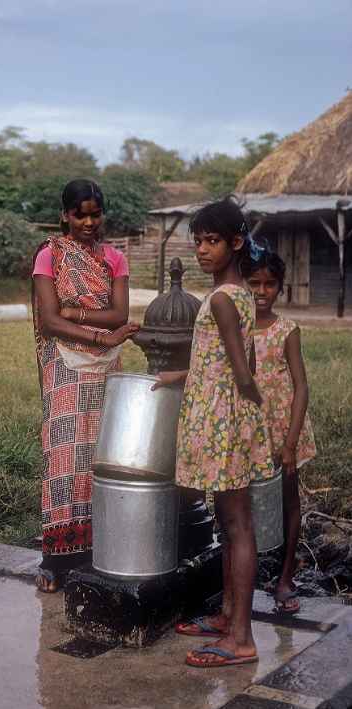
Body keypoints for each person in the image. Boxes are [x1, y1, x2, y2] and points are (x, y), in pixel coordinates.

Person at [153, 196, 274, 667]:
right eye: (198, 241)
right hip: (223, 415)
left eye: (212, 241)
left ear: (236, 243)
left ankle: (241, 638)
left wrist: (256, 418)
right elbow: (225, 363)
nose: (202, 250)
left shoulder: (223, 299)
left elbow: (244, 374)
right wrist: (179, 376)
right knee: (228, 522)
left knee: (238, 525)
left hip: (224, 423)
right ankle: (226, 615)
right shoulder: (238, 295)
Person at [32, 178, 139, 593]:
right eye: (80, 214)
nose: (89, 222)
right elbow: (48, 320)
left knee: (103, 455)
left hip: (107, 367)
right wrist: (96, 331)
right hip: (67, 367)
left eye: (96, 214)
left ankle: (102, 550)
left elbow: (120, 314)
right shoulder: (49, 257)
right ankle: (55, 558)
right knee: (64, 456)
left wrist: (72, 314)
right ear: (65, 215)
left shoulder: (115, 258)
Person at [245, 250, 316, 613]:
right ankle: (242, 575)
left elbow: (301, 387)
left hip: (282, 428)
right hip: (246, 428)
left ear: (280, 288)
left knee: (289, 499)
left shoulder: (287, 330)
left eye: (269, 284)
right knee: (242, 502)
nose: (261, 290)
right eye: (254, 283)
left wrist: (290, 442)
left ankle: (285, 576)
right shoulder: (235, 327)